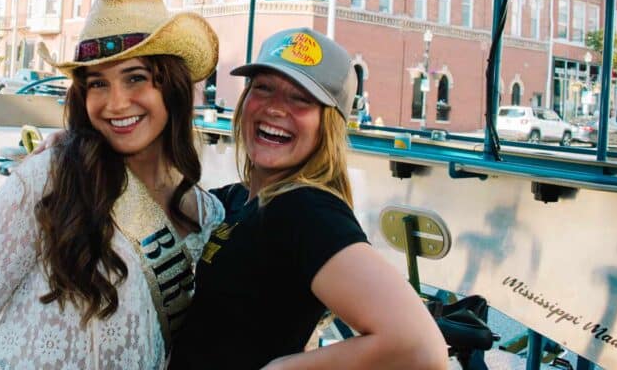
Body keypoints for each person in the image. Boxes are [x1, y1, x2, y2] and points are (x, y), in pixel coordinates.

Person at [0, 0, 225, 370]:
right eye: (97, 83)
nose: (115, 103)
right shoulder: (49, 176)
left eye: (135, 78)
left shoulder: (205, 212)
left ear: (171, 87)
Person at [169, 27, 447, 370]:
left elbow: (420, 347)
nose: (274, 108)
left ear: (327, 124)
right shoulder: (237, 199)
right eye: (263, 88)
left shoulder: (305, 210)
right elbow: (159, 197)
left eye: (301, 98)